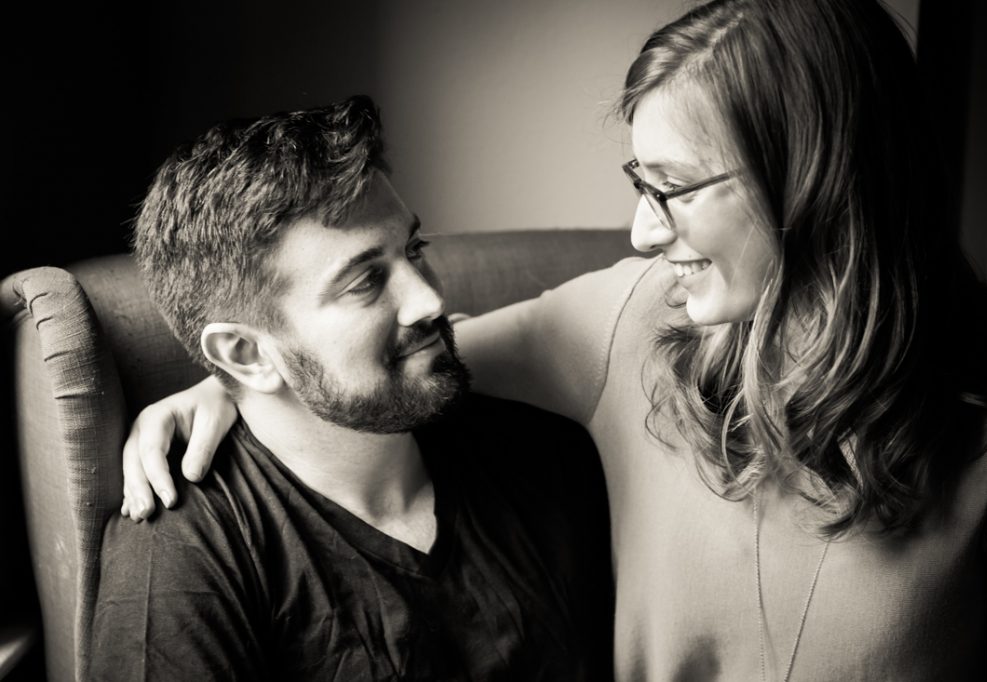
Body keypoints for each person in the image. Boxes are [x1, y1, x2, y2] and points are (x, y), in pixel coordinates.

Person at [123, 0, 987, 679]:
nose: (637, 232)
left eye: (671, 186)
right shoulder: (634, 323)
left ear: (816, 184)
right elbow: (395, 364)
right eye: (639, 180)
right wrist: (239, 380)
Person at [91, 97, 613, 681]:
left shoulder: (543, 455)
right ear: (246, 353)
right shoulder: (187, 555)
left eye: (413, 250)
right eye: (365, 282)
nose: (431, 300)